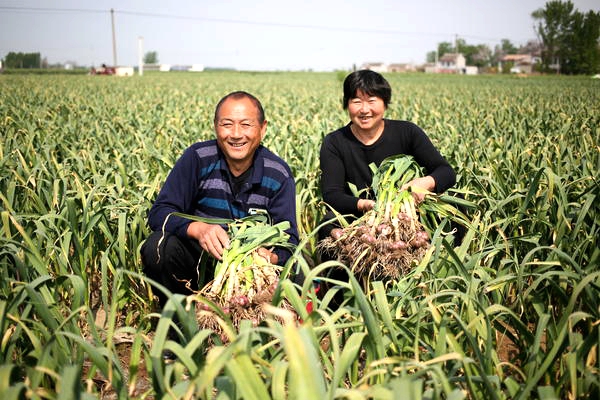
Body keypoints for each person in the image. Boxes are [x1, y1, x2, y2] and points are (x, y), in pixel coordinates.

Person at [141, 91, 299, 309]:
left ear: (262, 128)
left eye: (246, 125)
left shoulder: (277, 173)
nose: (235, 134)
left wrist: (268, 258)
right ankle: (180, 322)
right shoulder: (197, 158)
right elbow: (159, 213)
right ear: (215, 127)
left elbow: (290, 241)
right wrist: (198, 229)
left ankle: (257, 320)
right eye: (227, 124)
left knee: (300, 270)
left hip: (250, 272)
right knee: (158, 246)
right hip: (198, 267)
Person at [317, 69, 457, 298]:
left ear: (385, 103)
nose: (364, 109)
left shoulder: (407, 132)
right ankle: (340, 302)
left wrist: (425, 183)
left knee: (453, 214)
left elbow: (446, 172)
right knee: (327, 226)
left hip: (406, 216)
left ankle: (441, 289)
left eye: (372, 100)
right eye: (356, 101)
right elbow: (332, 195)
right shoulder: (335, 142)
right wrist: (369, 206)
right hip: (360, 216)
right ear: (346, 104)